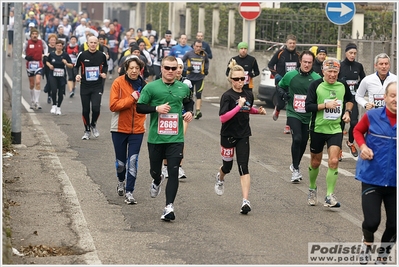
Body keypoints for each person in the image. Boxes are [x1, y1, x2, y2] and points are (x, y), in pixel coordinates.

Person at [136, 56, 194, 221]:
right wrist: (156, 108)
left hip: (175, 138)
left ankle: (169, 207)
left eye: (173, 68)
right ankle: (156, 179)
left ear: (178, 70)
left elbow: (189, 102)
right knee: (155, 170)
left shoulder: (183, 87)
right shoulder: (151, 87)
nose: (170, 71)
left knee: (173, 171)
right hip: (156, 138)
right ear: (160, 69)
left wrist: (189, 112)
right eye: (167, 68)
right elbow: (140, 107)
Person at [214, 60, 266, 214]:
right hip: (228, 135)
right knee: (227, 167)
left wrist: (258, 111)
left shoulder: (248, 94)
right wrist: (237, 106)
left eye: (242, 78)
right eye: (236, 79)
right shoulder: (227, 96)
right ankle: (220, 177)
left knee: (243, 167)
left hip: (243, 135)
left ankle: (245, 201)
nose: (239, 81)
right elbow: (223, 118)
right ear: (231, 80)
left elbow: (247, 109)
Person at [354, 81, 396, 265]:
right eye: (393, 95)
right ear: (385, 98)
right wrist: (362, 146)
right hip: (372, 178)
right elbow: (357, 130)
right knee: (372, 222)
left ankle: (382, 256)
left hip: (396, 182)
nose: (396, 99)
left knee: (395, 225)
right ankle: (367, 241)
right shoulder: (372, 116)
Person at [304, 58, 354, 208]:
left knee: (333, 161)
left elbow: (350, 99)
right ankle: (312, 189)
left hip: (336, 129)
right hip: (318, 129)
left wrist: (347, 112)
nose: (332, 75)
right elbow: (308, 106)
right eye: (329, 71)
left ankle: (329, 195)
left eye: (335, 72)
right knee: (315, 162)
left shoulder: (342, 84)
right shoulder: (316, 85)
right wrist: (326, 105)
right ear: (323, 72)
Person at [276, 51, 321, 183]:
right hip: (293, 112)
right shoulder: (291, 75)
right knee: (297, 138)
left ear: (313, 63)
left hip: (308, 115)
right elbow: (279, 87)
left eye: (310, 62)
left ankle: (296, 163)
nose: (307, 65)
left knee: (303, 141)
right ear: (300, 61)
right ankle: (295, 169)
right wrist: (284, 95)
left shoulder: (317, 78)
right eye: (305, 62)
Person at [109, 56, 147, 204]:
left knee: (132, 161)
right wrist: (131, 98)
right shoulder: (118, 83)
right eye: (131, 68)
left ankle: (130, 191)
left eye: (137, 68)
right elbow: (113, 105)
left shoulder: (145, 86)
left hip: (137, 129)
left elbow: (151, 104)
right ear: (126, 69)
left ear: (140, 70)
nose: (134, 71)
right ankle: (120, 181)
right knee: (120, 163)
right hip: (119, 128)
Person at [161, 58, 193, 179]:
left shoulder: (187, 83)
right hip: (168, 115)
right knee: (167, 139)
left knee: (180, 139)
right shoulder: (164, 81)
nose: (177, 70)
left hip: (182, 115)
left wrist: (190, 111)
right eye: (176, 67)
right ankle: (165, 167)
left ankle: (178, 167)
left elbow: (189, 100)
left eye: (180, 67)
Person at [75, 36, 108, 140]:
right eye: (91, 43)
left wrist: (104, 73)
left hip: (97, 86)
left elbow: (106, 66)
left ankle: (93, 124)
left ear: (97, 43)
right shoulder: (82, 54)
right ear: (87, 43)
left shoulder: (101, 55)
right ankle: (87, 130)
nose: (93, 44)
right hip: (85, 85)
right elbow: (76, 66)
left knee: (96, 108)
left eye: (95, 43)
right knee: (85, 110)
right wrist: (77, 75)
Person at [338, 43, 366, 160]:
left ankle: (350, 142)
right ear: (346, 53)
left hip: (353, 99)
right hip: (341, 99)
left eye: (354, 53)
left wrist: (358, 86)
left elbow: (364, 79)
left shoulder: (358, 66)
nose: (352, 55)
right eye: (350, 53)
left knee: (354, 123)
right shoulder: (340, 65)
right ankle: (338, 148)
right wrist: (341, 82)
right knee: (341, 124)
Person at [268, 34, 300, 134]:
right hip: (280, 82)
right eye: (290, 43)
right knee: (281, 103)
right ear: (287, 43)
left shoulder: (298, 55)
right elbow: (270, 65)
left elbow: (300, 68)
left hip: (292, 84)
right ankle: (277, 109)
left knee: (291, 104)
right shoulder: (280, 53)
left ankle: (288, 125)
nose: (292, 45)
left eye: (294, 43)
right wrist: (275, 74)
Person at [182, 39, 209, 119]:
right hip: (190, 78)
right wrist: (187, 68)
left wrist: (206, 69)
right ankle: (187, 110)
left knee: (198, 94)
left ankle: (198, 111)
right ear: (193, 46)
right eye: (197, 46)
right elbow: (181, 62)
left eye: (200, 47)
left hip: (200, 78)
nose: (198, 48)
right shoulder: (188, 54)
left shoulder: (204, 54)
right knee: (188, 95)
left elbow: (207, 62)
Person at [45, 40, 73, 115]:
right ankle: (54, 105)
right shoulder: (52, 54)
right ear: (55, 46)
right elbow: (46, 61)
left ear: (62, 47)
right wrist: (49, 65)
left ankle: (58, 107)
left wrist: (66, 63)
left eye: (60, 46)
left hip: (61, 76)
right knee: (54, 90)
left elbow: (71, 65)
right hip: (53, 75)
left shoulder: (65, 55)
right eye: (57, 45)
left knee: (61, 93)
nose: (59, 47)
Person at [22, 27, 48, 110]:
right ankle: (32, 101)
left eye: (36, 34)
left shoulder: (41, 42)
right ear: (30, 35)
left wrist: (45, 54)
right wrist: (25, 57)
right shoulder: (27, 43)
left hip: (39, 64)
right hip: (30, 64)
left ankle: (37, 101)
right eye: (33, 34)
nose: (34, 36)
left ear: (38, 35)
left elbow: (46, 47)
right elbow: (20, 52)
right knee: (32, 84)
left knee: (38, 81)